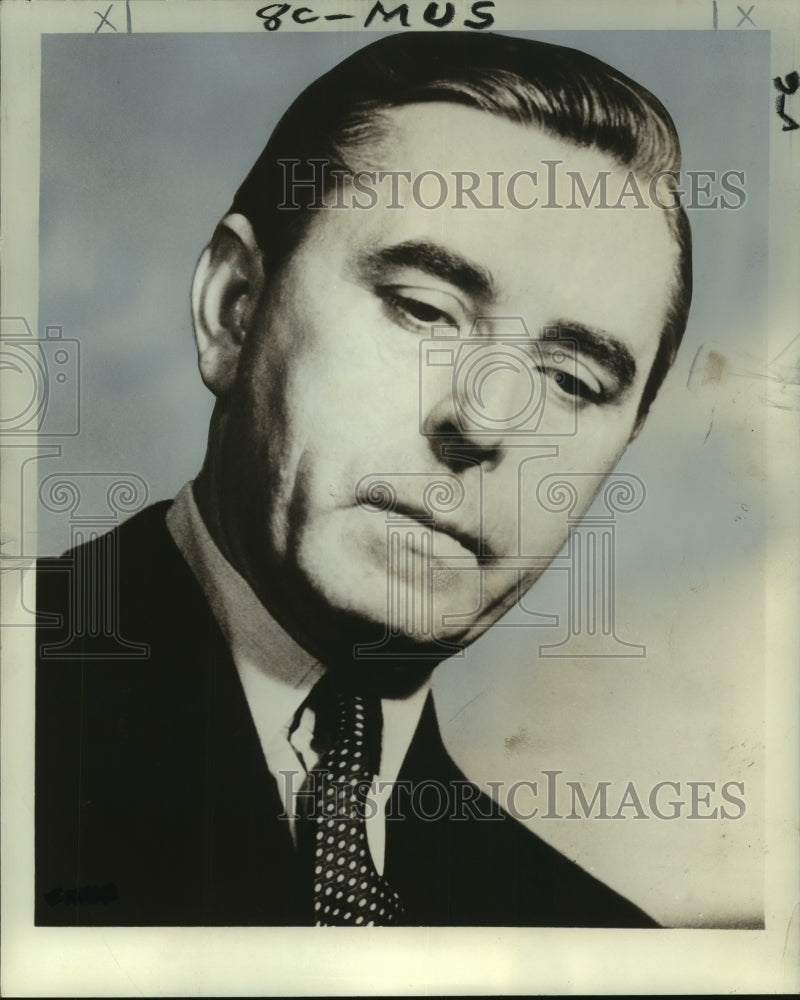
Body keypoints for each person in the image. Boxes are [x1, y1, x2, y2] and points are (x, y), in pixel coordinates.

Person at [35, 30, 691, 927]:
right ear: (234, 308)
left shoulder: (598, 944)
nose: (483, 422)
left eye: (572, 381)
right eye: (425, 310)